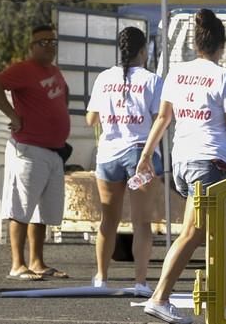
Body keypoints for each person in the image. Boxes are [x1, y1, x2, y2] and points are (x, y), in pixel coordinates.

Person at [136, 9, 226, 323]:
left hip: (183, 159)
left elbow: (163, 118)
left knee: (212, 232)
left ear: (195, 43)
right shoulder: (224, 76)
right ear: (221, 44)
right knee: (193, 232)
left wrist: (146, 154)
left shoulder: (176, 72)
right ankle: (160, 297)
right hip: (211, 160)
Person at [0, 24, 70, 281]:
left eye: (52, 42)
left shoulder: (53, 71)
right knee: (20, 207)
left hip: (53, 150)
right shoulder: (24, 69)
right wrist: (13, 115)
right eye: (43, 42)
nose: (49, 46)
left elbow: (62, 98)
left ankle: (37, 261)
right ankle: (17, 264)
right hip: (29, 148)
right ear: (32, 47)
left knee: (41, 211)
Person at [85, 27, 163, 295]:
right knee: (142, 222)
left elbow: (91, 119)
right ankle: (140, 282)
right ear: (143, 51)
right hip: (141, 154)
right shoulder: (153, 80)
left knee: (109, 220)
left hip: (108, 153)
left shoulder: (104, 77)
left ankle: (101, 278)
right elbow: (159, 119)